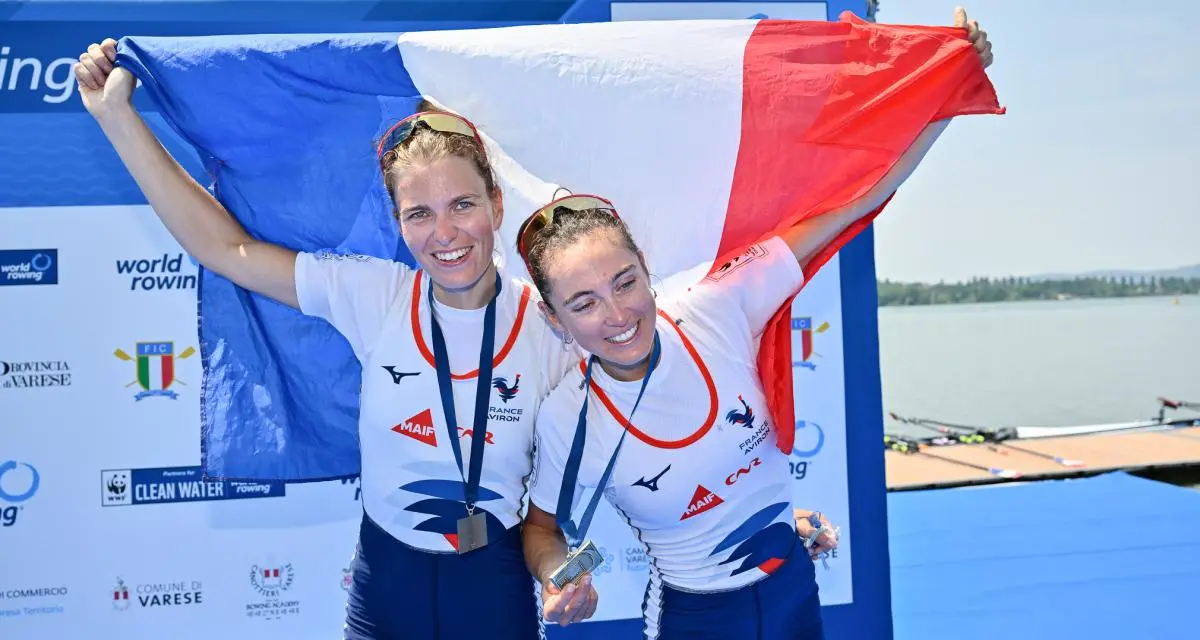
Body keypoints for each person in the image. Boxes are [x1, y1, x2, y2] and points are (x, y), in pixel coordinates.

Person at [73, 42, 598, 639]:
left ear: (496, 205)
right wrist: (116, 118)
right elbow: (227, 250)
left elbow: (550, 531)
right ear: (398, 222)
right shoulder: (374, 294)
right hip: (383, 593)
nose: (444, 233)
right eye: (418, 213)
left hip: (493, 593)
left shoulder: (553, 329)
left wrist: (568, 574)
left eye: (462, 205)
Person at [519, 10, 993, 639]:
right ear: (555, 320)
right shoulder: (568, 419)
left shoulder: (718, 304)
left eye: (625, 282)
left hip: (794, 592)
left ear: (646, 268)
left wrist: (943, 92)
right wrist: (560, 574)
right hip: (697, 620)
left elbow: (858, 195)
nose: (617, 315)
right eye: (583, 304)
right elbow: (542, 531)